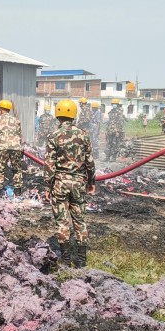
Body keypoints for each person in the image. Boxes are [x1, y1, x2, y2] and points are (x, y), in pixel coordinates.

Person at [44, 99, 96, 268]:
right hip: (79, 183)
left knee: (62, 221)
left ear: (57, 115)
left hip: (60, 183)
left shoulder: (53, 136)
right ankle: (81, 261)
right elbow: (89, 161)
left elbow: (49, 164)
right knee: (80, 220)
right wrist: (91, 181)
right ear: (74, 114)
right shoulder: (84, 135)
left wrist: (47, 186)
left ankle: (66, 260)